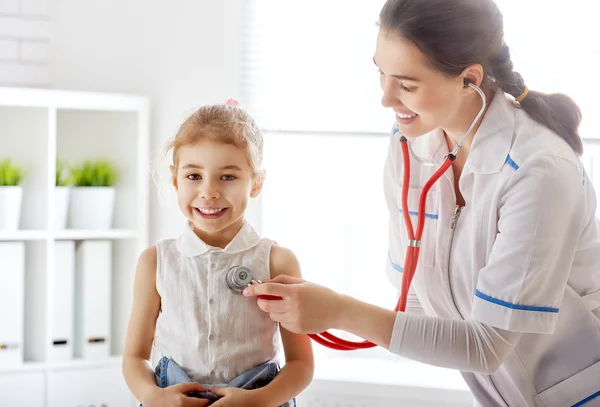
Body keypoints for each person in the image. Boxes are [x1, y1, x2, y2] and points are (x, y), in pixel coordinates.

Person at [244, 0, 600, 406]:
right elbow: (415, 301)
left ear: (469, 79)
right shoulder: (409, 143)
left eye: (407, 85)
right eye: (380, 72)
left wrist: (338, 311)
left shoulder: (540, 169)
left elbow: (486, 347)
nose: (385, 98)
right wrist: (309, 308)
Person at [122, 100, 314, 407]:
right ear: (175, 179)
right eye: (194, 176)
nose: (209, 192)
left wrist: (257, 401)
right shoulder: (155, 262)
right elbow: (135, 357)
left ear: (256, 182)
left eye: (227, 177)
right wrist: (153, 397)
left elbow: (301, 365)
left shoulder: (278, 261)